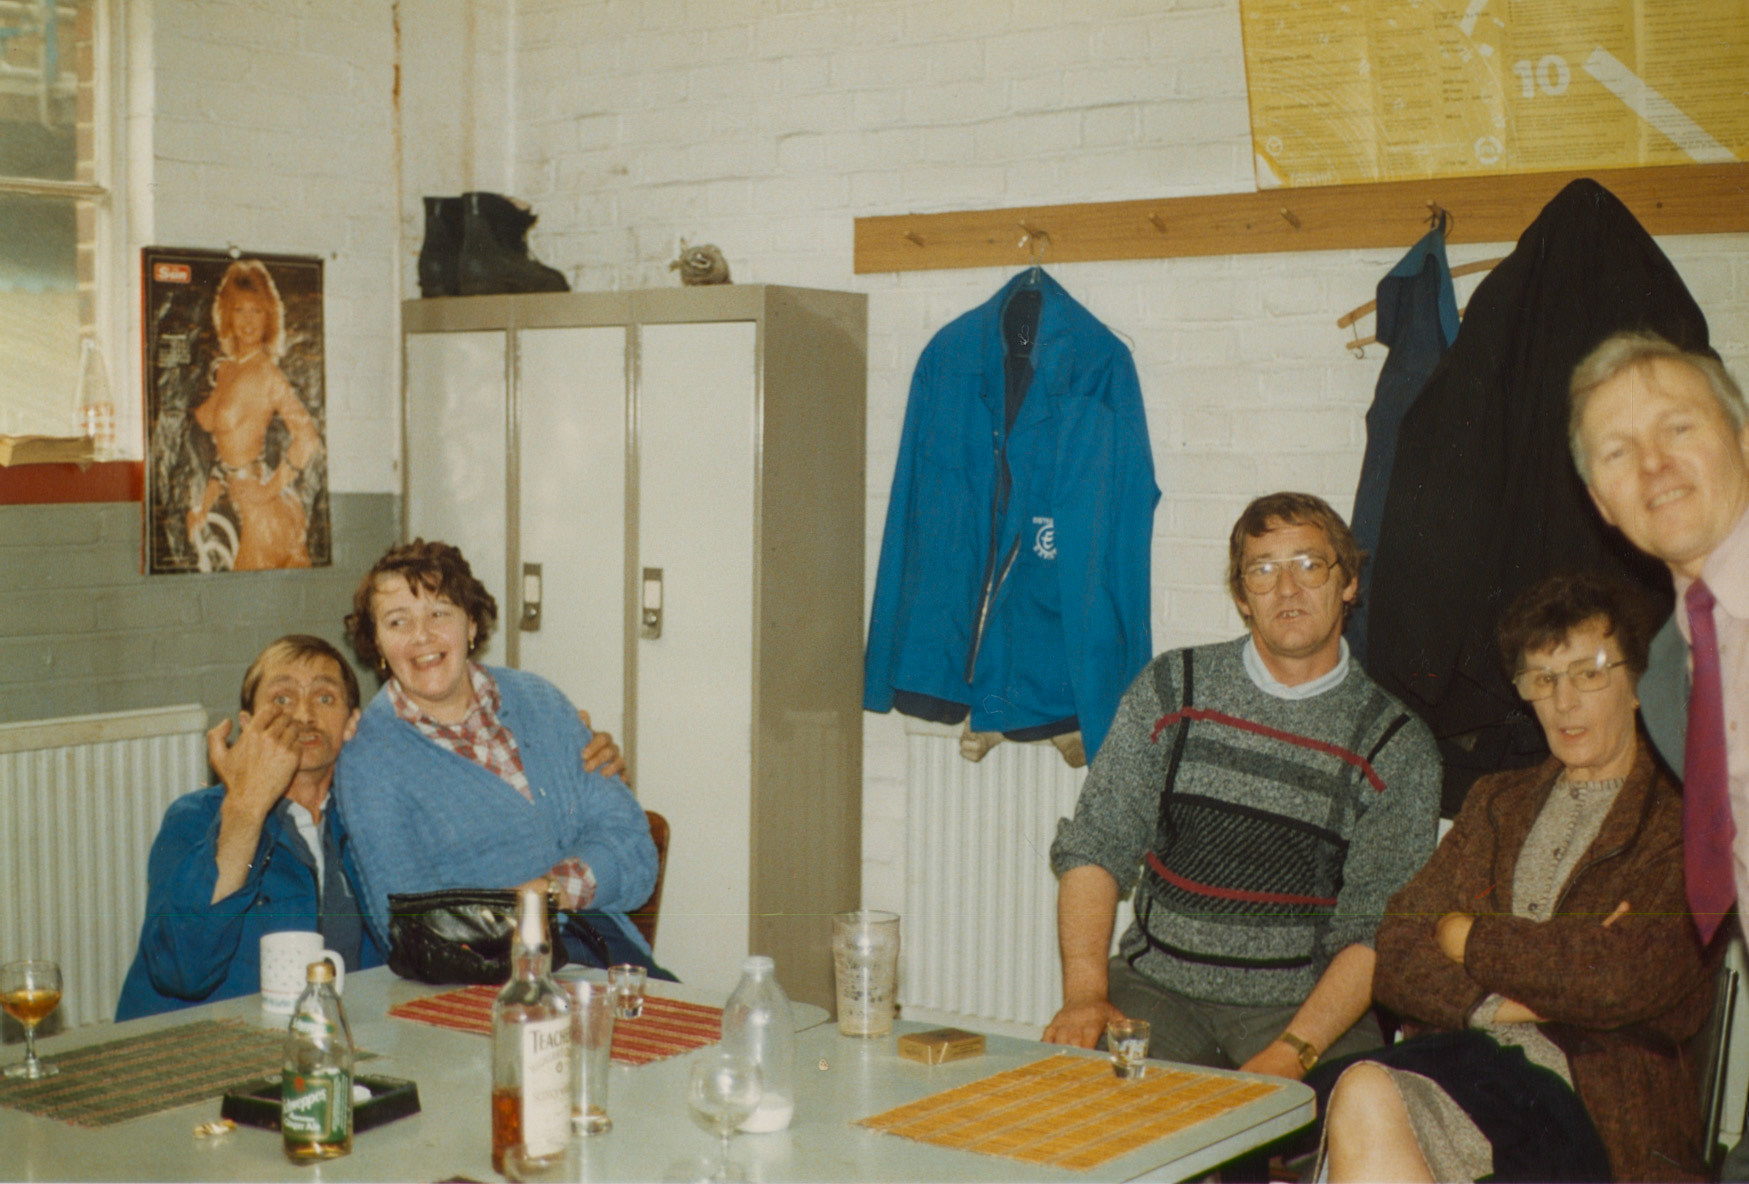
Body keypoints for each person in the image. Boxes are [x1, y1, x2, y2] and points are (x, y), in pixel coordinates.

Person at [1321, 571, 1712, 1183]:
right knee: (1365, 1088)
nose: (1565, 702)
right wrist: (1502, 1005)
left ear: (1636, 682)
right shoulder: (1497, 802)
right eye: (1544, 679)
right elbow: (1397, 947)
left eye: (1588, 673)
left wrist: (1466, 938)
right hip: (1471, 1064)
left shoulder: (1682, 821)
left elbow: (1625, 977)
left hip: (1600, 1102)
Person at [1044, 492, 1441, 1080]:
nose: (1287, 589)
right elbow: (1096, 847)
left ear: (1348, 583)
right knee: (1081, 1105)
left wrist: (1291, 1054)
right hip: (1160, 990)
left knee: (1363, 1123)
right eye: (1263, 570)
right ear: (1241, 596)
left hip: (1302, 1008)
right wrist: (1083, 996)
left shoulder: (1398, 747)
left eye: (1309, 565)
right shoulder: (1172, 689)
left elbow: (1374, 933)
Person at [333, 538, 664, 975]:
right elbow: (409, 927)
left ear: (471, 624)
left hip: (601, 953)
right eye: (398, 622)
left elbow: (634, 848)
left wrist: (543, 894)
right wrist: (558, 892)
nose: (422, 636)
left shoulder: (541, 701)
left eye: (439, 613)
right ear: (377, 645)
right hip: (482, 983)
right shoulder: (370, 760)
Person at [1571, 330, 1749, 944]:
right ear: (1602, 503)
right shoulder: (1670, 674)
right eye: (1617, 452)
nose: (1654, 464)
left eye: (1678, 428)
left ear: (1745, 439)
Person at [115, 635, 377, 1020]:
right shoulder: (194, 818)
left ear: (351, 723)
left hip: (322, 1042)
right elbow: (182, 972)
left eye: (325, 698)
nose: (304, 715)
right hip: (196, 1050)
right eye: (282, 700)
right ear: (248, 726)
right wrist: (247, 806)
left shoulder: (368, 819)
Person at [186, 259, 319, 570]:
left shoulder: (268, 374)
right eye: (239, 310)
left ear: (269, 316)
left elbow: (308, 437)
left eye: (256, 310)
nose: (247, 321)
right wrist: (201, 507)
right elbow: (225, 456)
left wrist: (269, 490)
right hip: (234, 507)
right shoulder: (227, 370)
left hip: (264, 516)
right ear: (227, 315)